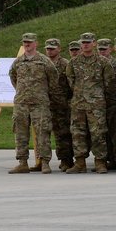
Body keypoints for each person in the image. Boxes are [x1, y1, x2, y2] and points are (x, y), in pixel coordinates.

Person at [8, 33, 57, 174]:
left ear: (36, 43)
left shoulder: (44, 61)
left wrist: (42, 93)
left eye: (29, 42)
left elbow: (53, 78)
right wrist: (22, 92)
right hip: (21, 103)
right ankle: (22, 162)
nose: (27, 44)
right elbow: (13, 77)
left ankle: (45, 162)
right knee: (20, 132)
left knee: (43, 131)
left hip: (39, 103)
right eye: (25, 42)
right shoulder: (18, 62)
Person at [67, 32, 111, 173]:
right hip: (78, 104)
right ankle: (80, 163)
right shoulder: (74, 62)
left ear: (94, 43)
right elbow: (70, 80)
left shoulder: (103, 62)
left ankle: (100, 162)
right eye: (83, 42)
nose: (85, 44)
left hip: (96, 104)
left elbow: (109, 82)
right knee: (77, 133)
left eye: (88, 42)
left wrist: (96, 95)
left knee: (98, 133)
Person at [43, 38, 74, 171]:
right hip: (45, 104)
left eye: (52, 48)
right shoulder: (42, 64)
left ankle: (66, 160)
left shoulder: (66, 64)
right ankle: (43, 161)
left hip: (61, 105)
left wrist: (69, 101)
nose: (50, 51)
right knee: (44, 134)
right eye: (48, 49)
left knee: (63, 133)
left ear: (59, 49)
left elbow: (72, 84)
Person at [98, 37, 116, 170]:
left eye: (104, 49)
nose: (102, 52)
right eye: (100, 50)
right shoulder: (95, 64)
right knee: (103, 133)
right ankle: (109, 159)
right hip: (99, 104)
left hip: (115, 103)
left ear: (110, 49)